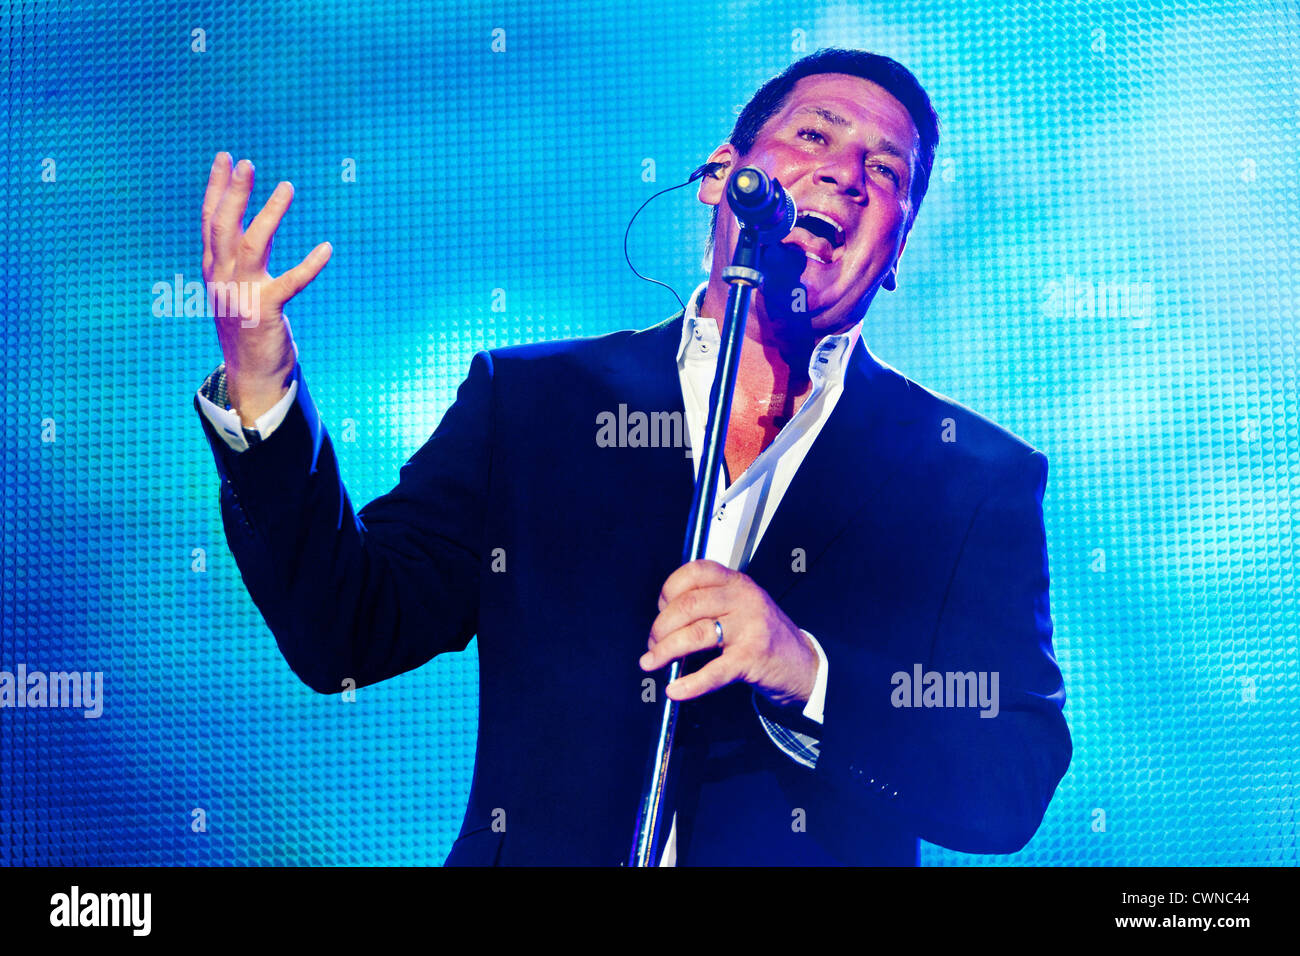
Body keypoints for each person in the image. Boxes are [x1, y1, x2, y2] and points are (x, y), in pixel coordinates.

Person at [194, 48, 1071, 865]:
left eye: (885, 171)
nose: (846, 172)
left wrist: (806, 671)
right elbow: (345, 629)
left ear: (895, 253)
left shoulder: (970, 478)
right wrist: (261, 383)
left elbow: (1011, 772)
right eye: (815, 134)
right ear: (723, 178)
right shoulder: (534, 405)